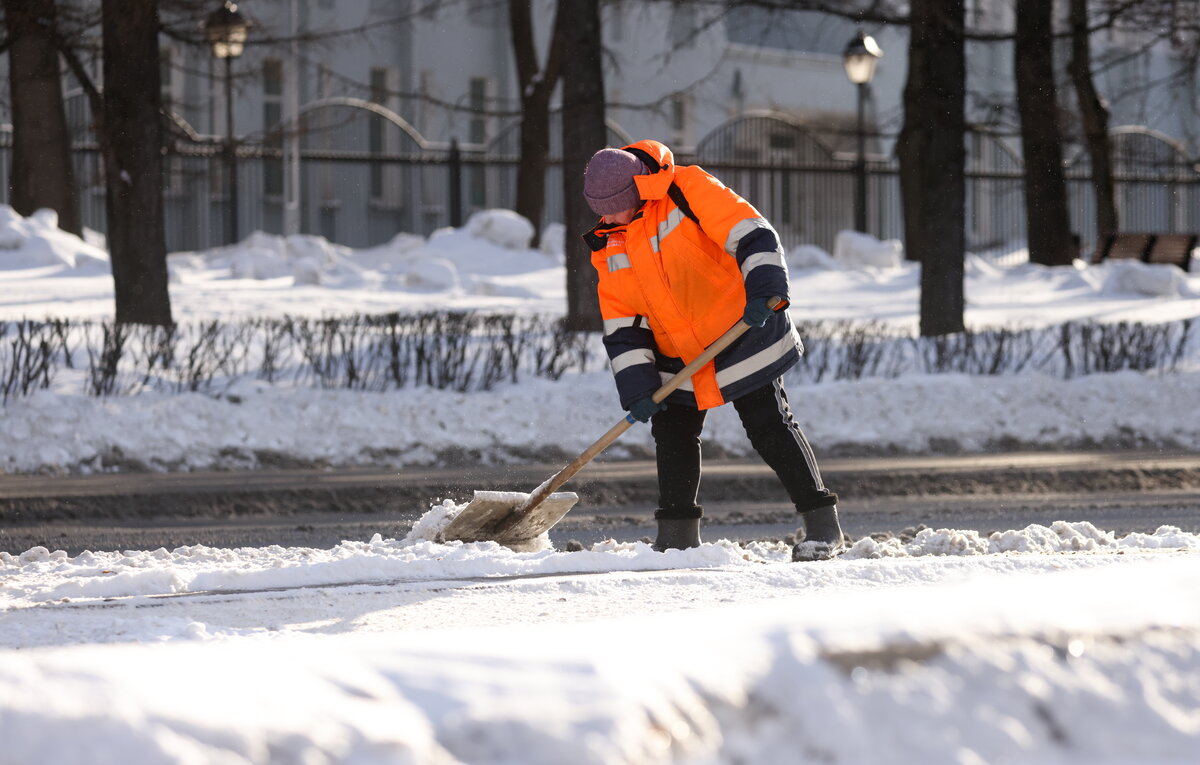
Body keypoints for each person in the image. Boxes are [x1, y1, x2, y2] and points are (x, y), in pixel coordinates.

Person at [581, 139, 844, 562]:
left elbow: (752, 233)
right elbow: (623, 323)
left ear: (635, 191)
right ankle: (676, 538)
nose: (606, 216)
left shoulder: (687, 187)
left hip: (739, 327)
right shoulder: (610, 242)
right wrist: (637, 386)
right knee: (672, 432)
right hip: (676, 353)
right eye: (600, 209)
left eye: (613, 206)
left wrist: (766, 289)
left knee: (767, 424)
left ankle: (823, 526)